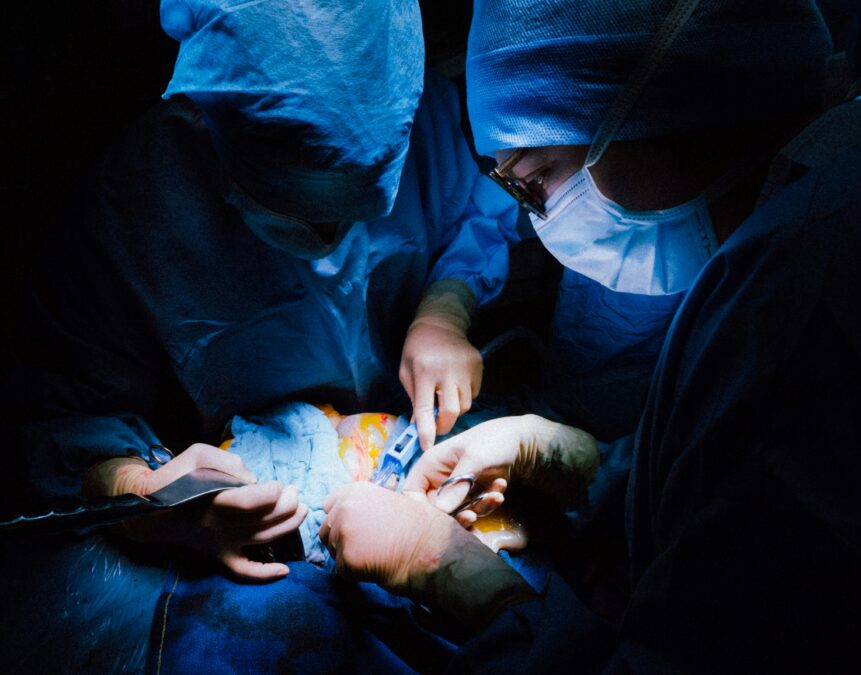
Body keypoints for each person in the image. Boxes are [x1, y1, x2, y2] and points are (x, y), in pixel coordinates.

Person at [321, 0, 861, 671]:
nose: (542, 222)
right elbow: (727, 488)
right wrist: (571, 461)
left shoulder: (797, 303)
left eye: (538, 180)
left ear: (668, 93)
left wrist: (438, 564)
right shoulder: (853, 159)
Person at [0, 0, 518, 669]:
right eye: (295, 204)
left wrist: (448, 305)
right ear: (218, 128)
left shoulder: (417, 118)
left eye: (357, 206)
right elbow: (56, 408)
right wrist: (147, 495)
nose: (330, 244)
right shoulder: (137, 202)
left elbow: (477, 206)